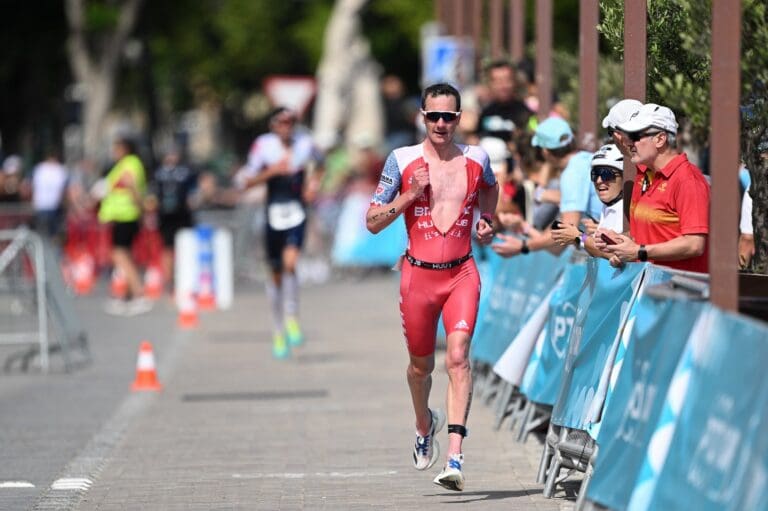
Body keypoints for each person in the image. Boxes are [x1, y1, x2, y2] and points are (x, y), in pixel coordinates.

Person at [366, 83, 498, 492]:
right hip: (418, 276)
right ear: (422, 117)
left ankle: (455, 457)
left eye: (450, 116)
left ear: (460, 118)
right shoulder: (402, 159)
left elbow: (491, 187)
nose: (442, 124)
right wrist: (409, 196)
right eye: (434, 116)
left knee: (458, 359)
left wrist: (487, 219)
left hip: (461, 273)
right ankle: (425, 425)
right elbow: (372, 221)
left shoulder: (477, 157)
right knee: (420, 368)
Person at [236, 107, 324, 359]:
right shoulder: (263, 146)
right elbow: (246, 182)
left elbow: (321, 163)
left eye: (291, 122)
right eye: (281, 122)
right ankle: (277, 330)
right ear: (273, 125)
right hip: (273, 212)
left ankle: (292, 317)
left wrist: (313, 184)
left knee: (291, 262)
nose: (287, 126)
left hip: (297, 209)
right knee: (275, 273)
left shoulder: (305, 144)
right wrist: (271, 172)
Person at [596, 103, 710, 272]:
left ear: (660, 139)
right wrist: (620, 242)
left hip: (679, 292)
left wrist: (638, 252)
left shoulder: (688, 180)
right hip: (650, 289)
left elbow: (694, 244)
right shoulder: (644, 176)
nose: (629, 143)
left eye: (635, 136)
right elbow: (646, 236)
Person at [491, 117, 602, 258]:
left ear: (545, 152)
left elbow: (567, 229)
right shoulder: (586, 159)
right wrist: (524, 228)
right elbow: (558, 244)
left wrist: (523, 246)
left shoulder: (572, 173)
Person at [98, 137, 152, 316]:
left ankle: (138, 292)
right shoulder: (123, 165)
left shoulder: (130, 164)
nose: (114, 152)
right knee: (125, 254)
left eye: (117, 148)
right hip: (121, 215)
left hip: (126, 216)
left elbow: (133, 188)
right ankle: (129, 294)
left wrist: (141, 209)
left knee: (119, 254)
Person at [551, 144, 627, 257]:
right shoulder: (609, 205)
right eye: (595, 175)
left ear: (624, 176)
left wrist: (579, 237)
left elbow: (615, 255)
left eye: (607, 174)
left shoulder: (626, 208)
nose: (599, 180)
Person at [151, 148, 197, 288]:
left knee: (185, 246)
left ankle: (185, 276)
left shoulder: (186, 172)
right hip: (165, 216)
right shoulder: (158, 173)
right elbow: (153, 195)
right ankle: (169, 279)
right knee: (167, 248)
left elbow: (194, 192)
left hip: (182, 215)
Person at [476, 60, 532, 143]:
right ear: (490, 84)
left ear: (515, 82)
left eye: (507, 80)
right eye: (497, 81)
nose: (503, 86)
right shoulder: (485, 113)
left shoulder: (525, 112)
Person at [31, 147, 69, 243]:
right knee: (52, 234)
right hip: (52, 206)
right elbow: (64, 190)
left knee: (42, 234)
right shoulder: (60, 170)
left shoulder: (39, 169)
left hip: (41, 205)